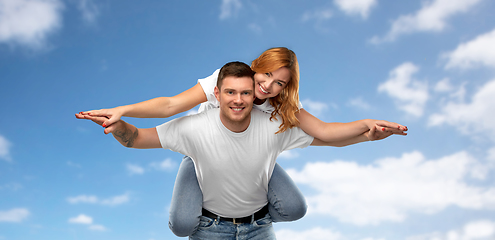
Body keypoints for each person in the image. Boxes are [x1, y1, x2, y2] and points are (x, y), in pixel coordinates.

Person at [77, 47, 407, 236]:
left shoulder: (280, 109)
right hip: (203, 154)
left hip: (255, 157)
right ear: (253, 69)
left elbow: (324, 133)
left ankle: (252, 208)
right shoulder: (226, 79)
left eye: (279, 83)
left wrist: (367, 128)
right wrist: (123, 110)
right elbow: (171, 105)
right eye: (265, 76)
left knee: (293, 205)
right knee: (181, 221)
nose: (268, 87)